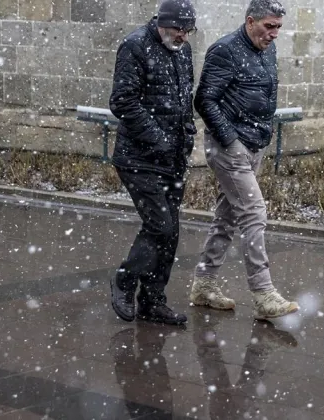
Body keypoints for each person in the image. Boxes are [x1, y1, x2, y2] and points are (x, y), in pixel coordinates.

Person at [190, 0, 299, 319]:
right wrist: (231, 141)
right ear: (251, 21)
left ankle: (204, 284)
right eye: (269, 26)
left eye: (278, 27)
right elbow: (204, 100)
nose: (275, 33)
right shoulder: (225, 50)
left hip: (255, 145)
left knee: (227, 217)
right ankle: (263, 293)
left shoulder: (268, 50)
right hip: (229, 149)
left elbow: (267, 95)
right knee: (254, 213)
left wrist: (260, 137)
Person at [108, 0, 198, 325]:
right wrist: (157, 138)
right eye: (178, 29)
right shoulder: (134, 46)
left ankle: (152, 300)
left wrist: (187, 137)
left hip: (173, 159)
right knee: (159, 225)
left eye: (189, 31)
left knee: (171, 231)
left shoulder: (182, 50)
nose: (183, 37)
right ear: (162, 22)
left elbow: (185, 97)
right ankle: (125, 279)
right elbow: (122, 101)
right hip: (139, 159)